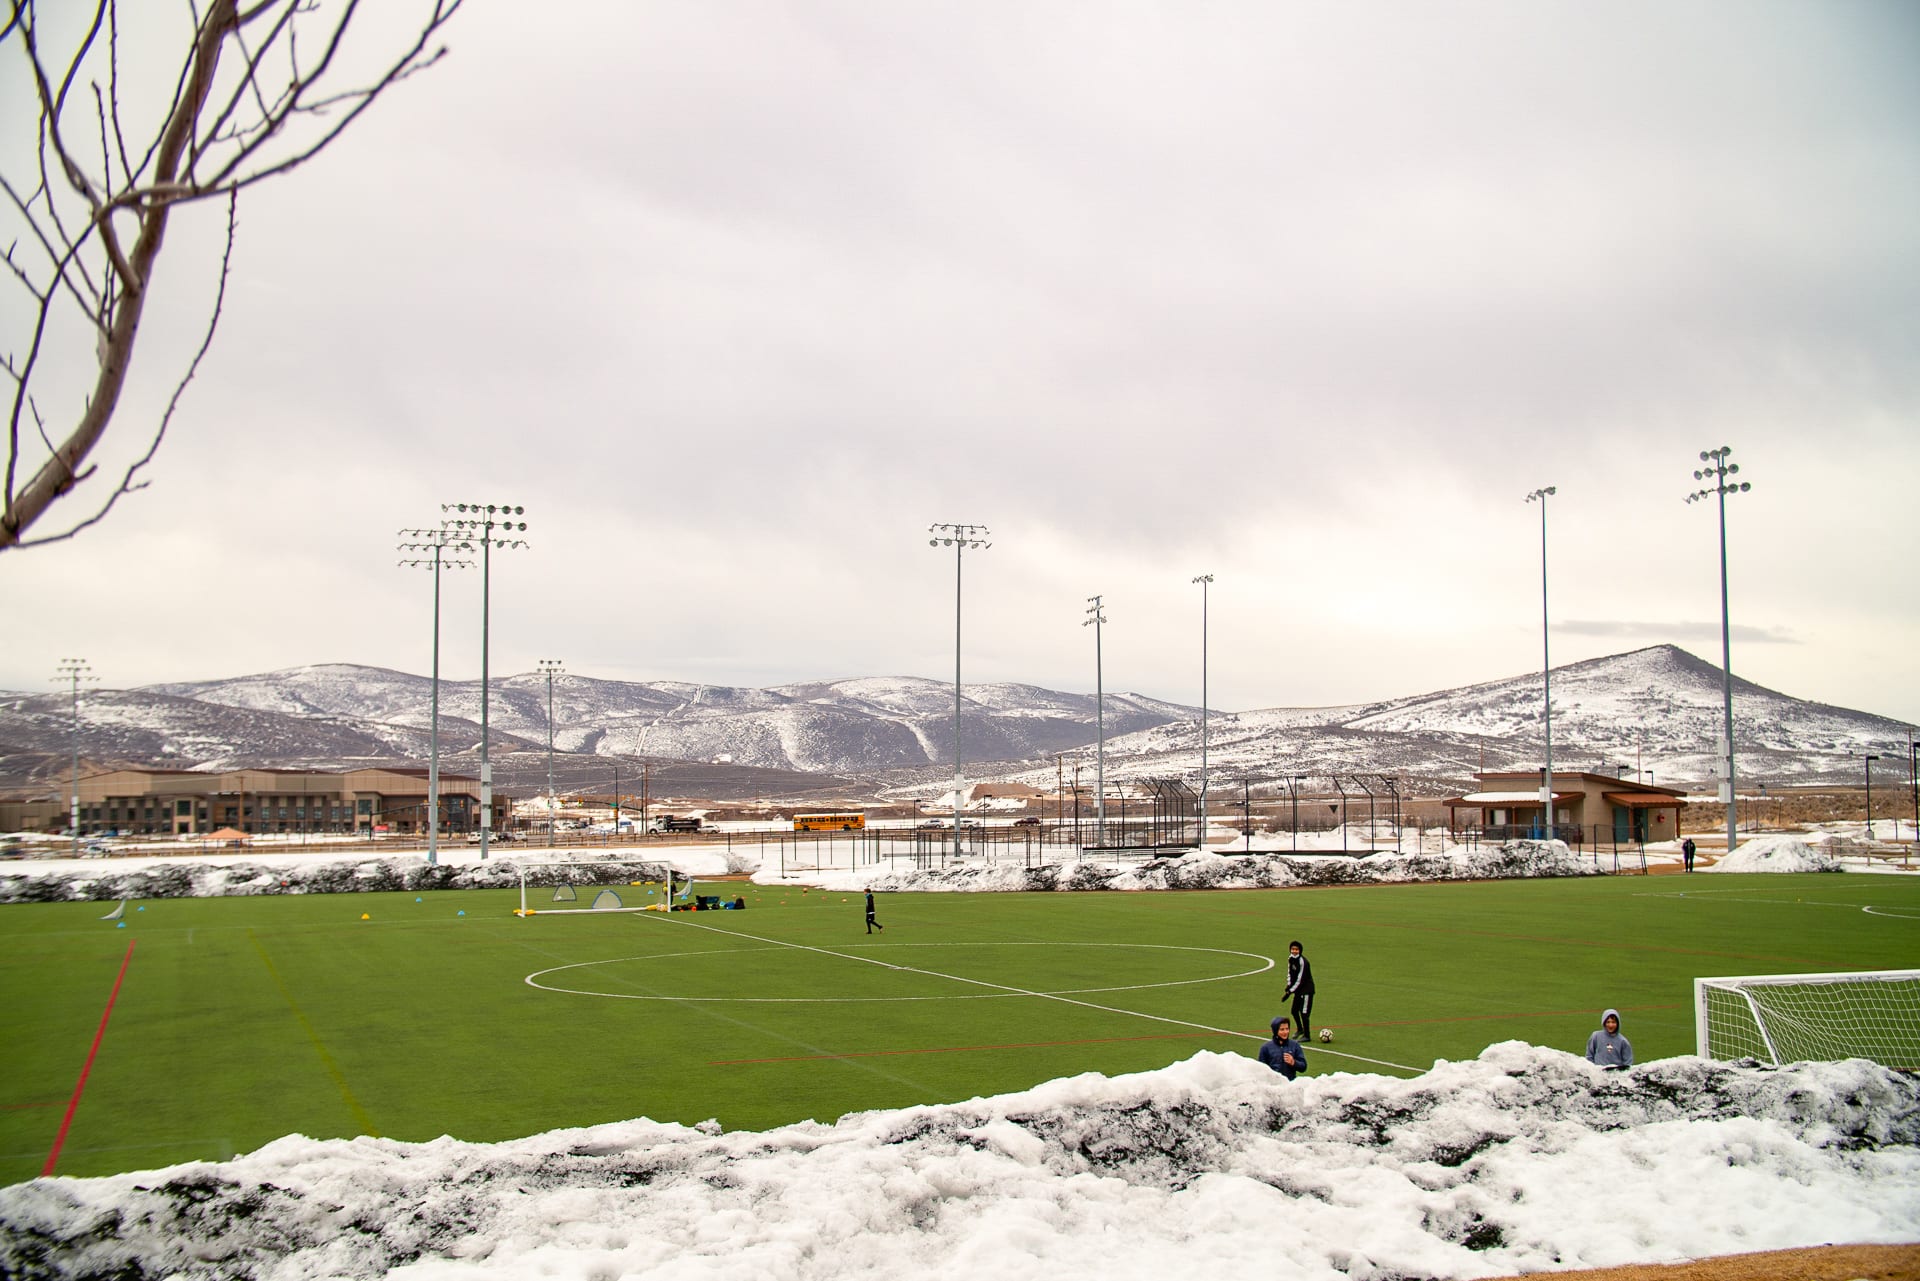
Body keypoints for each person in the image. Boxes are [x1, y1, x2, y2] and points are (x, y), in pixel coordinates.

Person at [1258, 1015, 1308, 1080]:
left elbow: (1303, 1067)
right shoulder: (1266, 1048)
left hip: (1290, 1084)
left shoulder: (1295, 1045)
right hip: (1273, 1086)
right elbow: (1260, 1070)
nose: (1285, 1032)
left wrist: (1293, 1062)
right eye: (1282, 1029)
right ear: (1275, 1031)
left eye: (1287, 1029)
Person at [1285, 940, 1316, 1042]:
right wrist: (1289, 984)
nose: (1294, 951)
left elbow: (1300, 979)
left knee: (1304, 1013)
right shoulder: (1290, 959)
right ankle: (1300, 1029)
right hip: (1298, 990)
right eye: (1293, 949)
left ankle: (1307, 1035)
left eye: (1296, 949)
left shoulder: (1303, 962)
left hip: (1306, 990)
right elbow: (1290, 973)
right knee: (1294, 1010)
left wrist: (1290, 991)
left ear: (1300, 950)